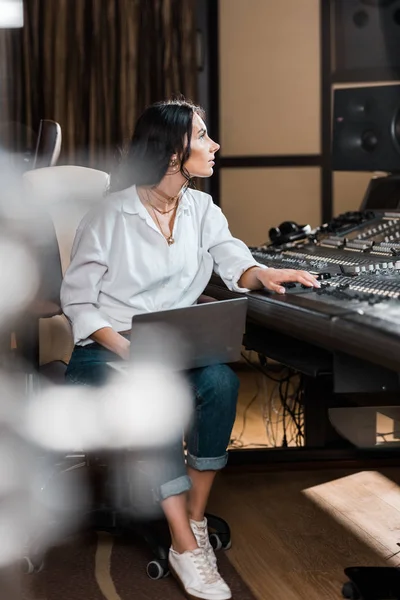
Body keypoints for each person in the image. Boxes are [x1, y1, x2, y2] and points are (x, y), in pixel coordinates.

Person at [61, 98, 320, 600]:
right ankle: (184, 545)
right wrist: (129, 351)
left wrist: (262, 274)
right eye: (202, 136)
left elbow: (233, 262)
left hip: (173, 349)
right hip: (110, 350)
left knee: (221, 381)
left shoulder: (202, 209)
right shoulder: (110, 213)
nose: (214, 144)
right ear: (170, 150)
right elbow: (77, 301)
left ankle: (193, 522)